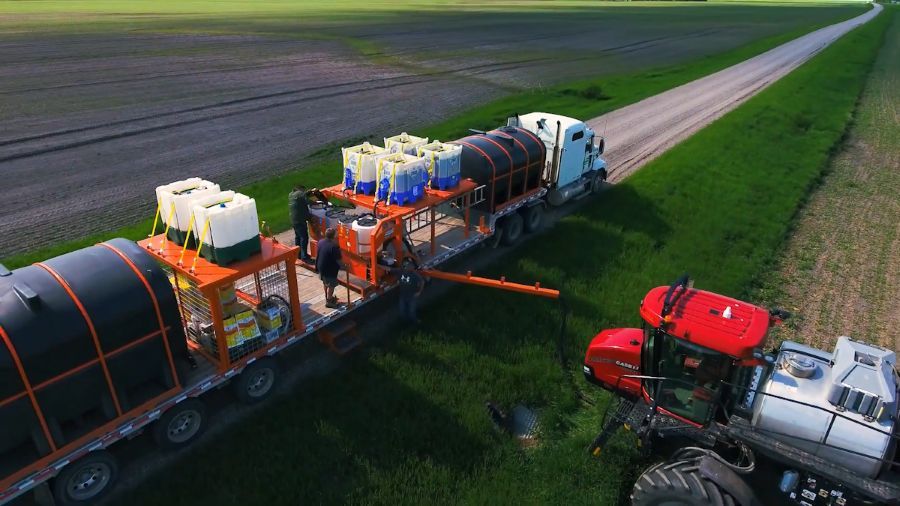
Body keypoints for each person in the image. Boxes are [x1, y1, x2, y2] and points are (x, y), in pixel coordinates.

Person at [316, 228, 344, 308]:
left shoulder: (321, 242)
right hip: (329, 270)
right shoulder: (334, 247)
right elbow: (339, 261)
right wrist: (345, 267)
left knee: (325, 282)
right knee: (332, 285)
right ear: (334, 236)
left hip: (321, 266)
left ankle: (328, 297)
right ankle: (329, 301)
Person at [289, 185, 312, 262]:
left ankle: (298, 254)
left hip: (294, 220)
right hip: (300, 221)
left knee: (298, 237)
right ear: (300, 189)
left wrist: (307, 193)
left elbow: (301, 198)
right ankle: (304, 257)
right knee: (304, 238)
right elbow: (308, 201)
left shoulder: (291, 195)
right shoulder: (299, 194)